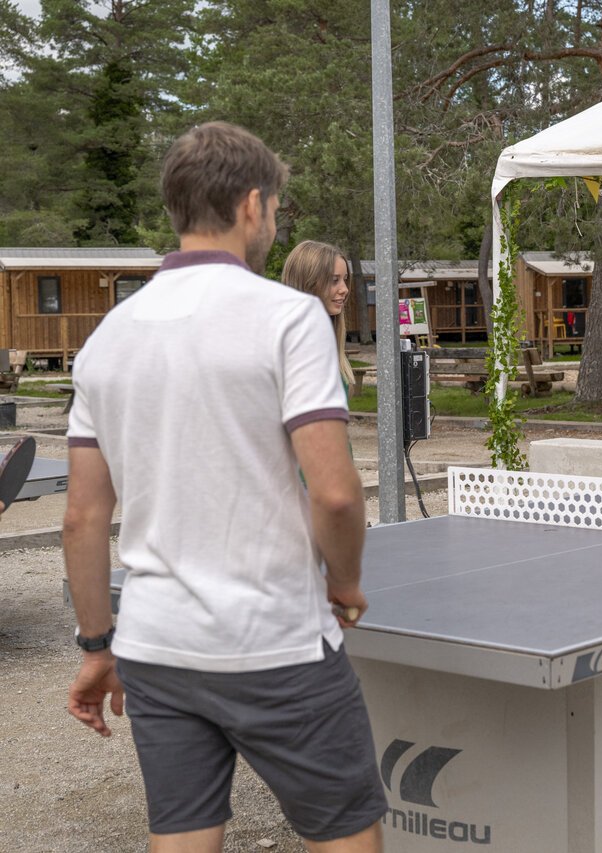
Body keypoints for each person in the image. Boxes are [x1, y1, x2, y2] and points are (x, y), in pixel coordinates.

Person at [63, 122, 386, 851]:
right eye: (273, 207)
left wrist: (95, 644)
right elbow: (335, 493)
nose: (273, 221)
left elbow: (83, 517)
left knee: (181, 838)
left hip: (155, 645)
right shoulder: (289, 316)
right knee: (345, 837)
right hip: (275, 641)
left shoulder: (107, 337)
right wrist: (346, 581)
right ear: (250, 205)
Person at [282, 240, 356, 392]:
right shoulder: (291, 350)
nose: (345, 289)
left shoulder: (327, 340)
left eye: (345, 279)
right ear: (307, 283)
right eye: (334, 280)